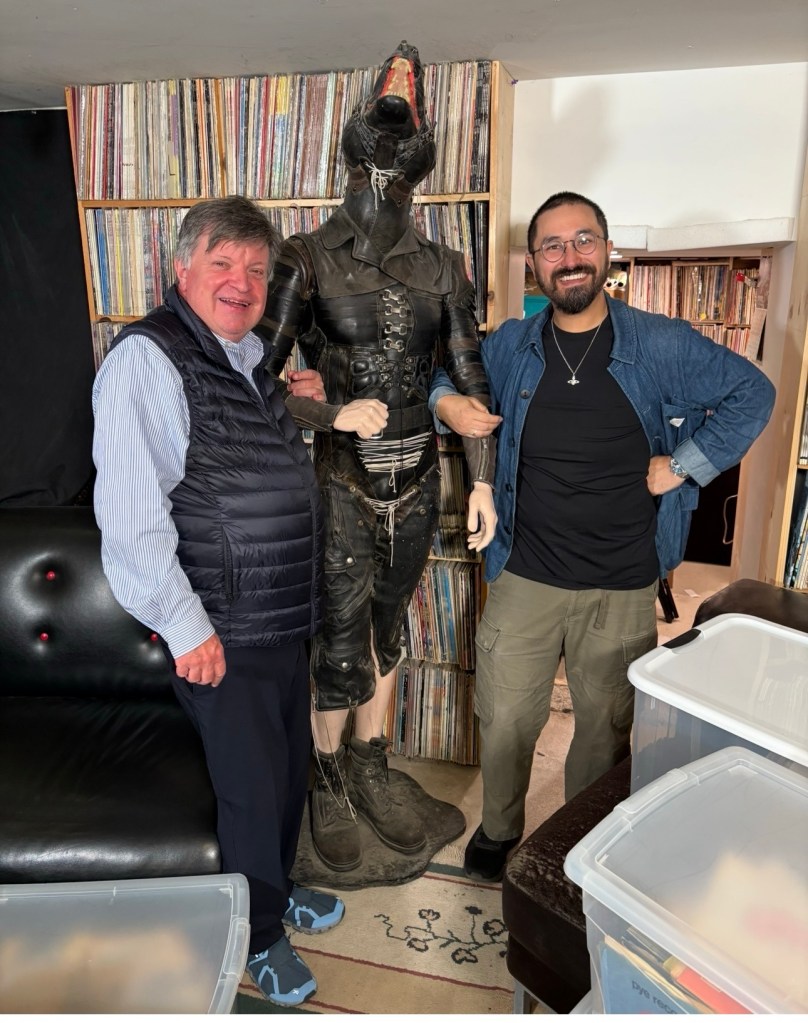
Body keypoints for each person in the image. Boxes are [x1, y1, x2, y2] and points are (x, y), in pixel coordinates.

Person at [430, 190, 775, 881]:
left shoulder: (661, 343)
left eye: (583, 240)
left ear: (608, 250)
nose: (570, 257)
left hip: (621, 579)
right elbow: (445, 372)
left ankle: (574, 840)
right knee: (505, 716)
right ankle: (500, 827)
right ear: (534, 263)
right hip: (524, 569)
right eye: (552, 246)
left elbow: (754, 394)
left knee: (604, 728)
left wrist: (683, 465)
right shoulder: (511, 344)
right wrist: (448, 404)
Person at [92, 195, 348, 1007]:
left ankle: (277, 886)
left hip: (279, 616)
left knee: (286, 771)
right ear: (182, 269)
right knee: (248, 786)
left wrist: (295, 396)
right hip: (221, 625)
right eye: (223, 262)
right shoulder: (148, 359)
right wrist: (184, 625)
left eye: (257, 269)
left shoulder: (244, 357)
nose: (242, 282)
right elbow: (132, 518)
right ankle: (259, 936)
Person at [258, 41, 498, 875]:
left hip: (420, 478)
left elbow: (471, 379)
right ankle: (325, 775)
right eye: (377, 153)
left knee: (388, 634)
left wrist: (483, 483)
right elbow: (254, 380)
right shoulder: (304, 257)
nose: (388, 167)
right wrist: (329, 412)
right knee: (337, 641)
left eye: (402, 153)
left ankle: (370, 762)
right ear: (354, 159)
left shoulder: (445, 268)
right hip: (341, 483)